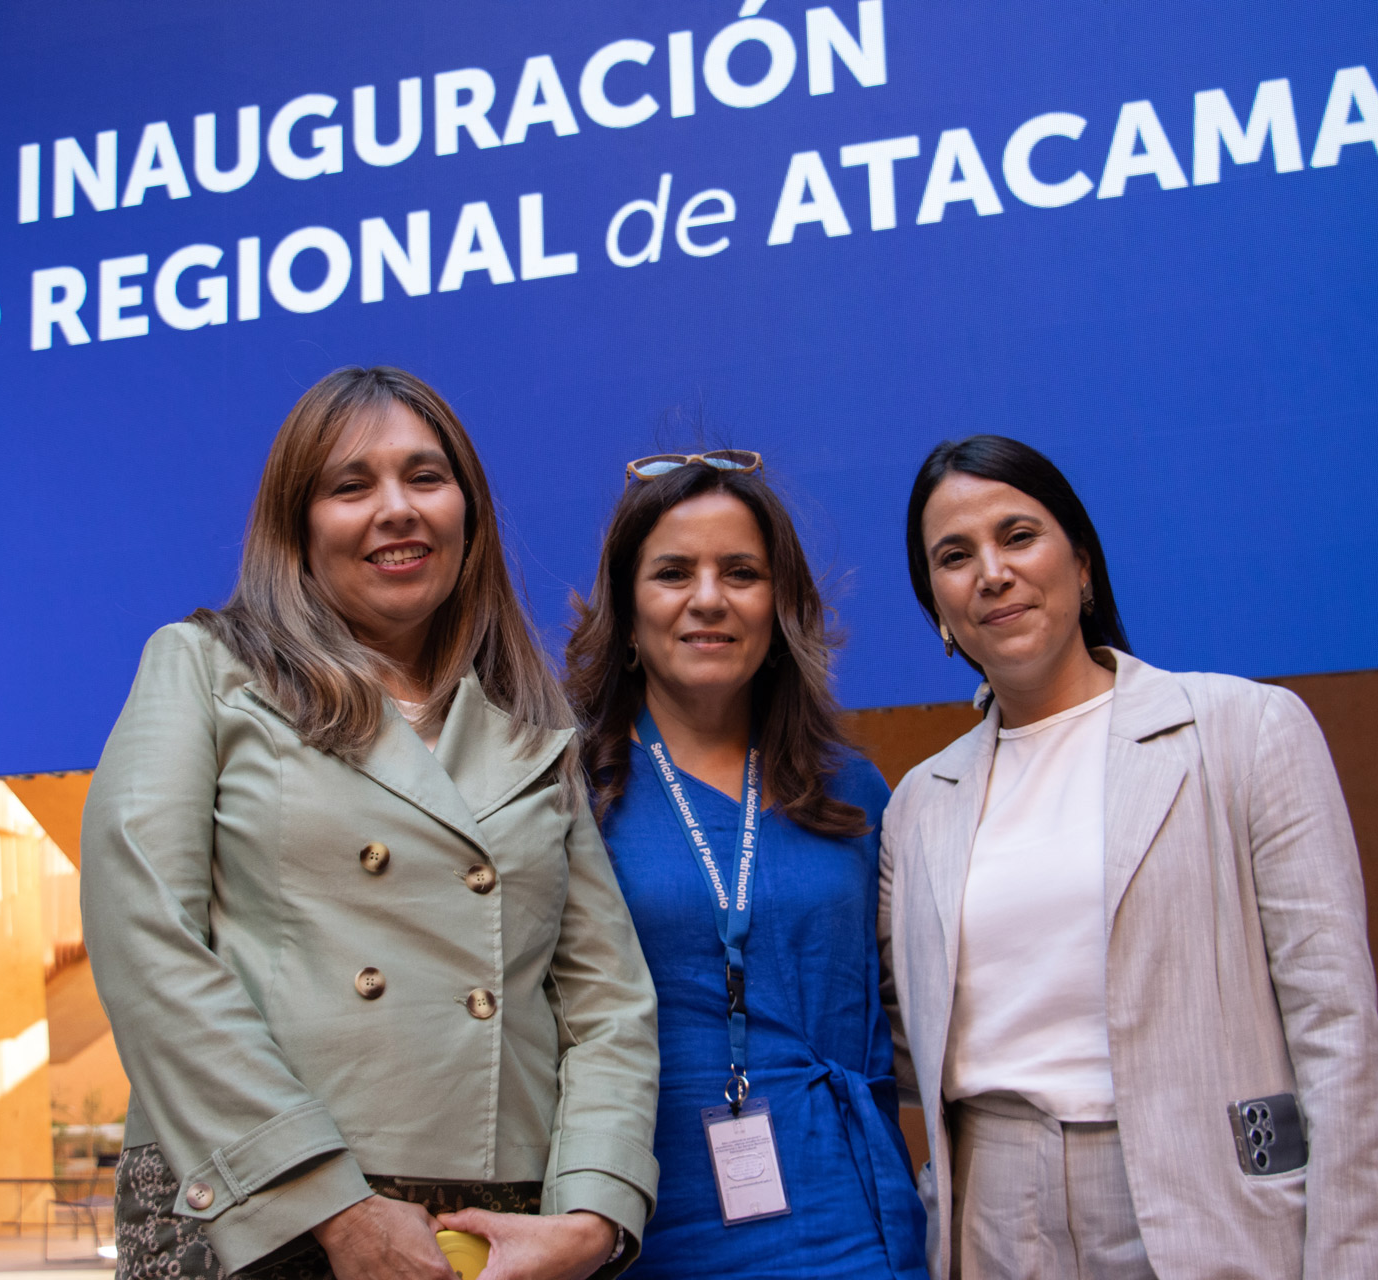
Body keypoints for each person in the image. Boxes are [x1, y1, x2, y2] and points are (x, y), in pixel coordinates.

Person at [82, 367, 661, 1280]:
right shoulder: (202, 669)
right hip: (261, 1208)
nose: (397, 509)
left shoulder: (533, 728)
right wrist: (330, 1204)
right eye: (351, 486)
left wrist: (593, 1211)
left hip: (500, 1225)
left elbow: (608, 1003)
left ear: (469, 515)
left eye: (426, 477)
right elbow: (146, 941)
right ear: (298, 528)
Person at [881, 434, 1378, 1279]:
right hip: (992, 1214)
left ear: (1083, 564)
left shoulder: (1246, 731)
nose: (992, 573)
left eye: (1019, 536)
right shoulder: (917, 806)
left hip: (1203, 1197)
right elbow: (908, 1037)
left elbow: (1337, 1032)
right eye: (955, 556)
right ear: (936, 605)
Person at [563, 450, 928, 1280]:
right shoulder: (570, 790)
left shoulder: (852, 789)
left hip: (857, 1223)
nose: (708, 598)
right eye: (672, 573)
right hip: (647, 1227)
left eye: (741, 572)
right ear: (626, 612)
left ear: (779, 605)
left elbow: (914, 1010)